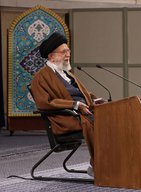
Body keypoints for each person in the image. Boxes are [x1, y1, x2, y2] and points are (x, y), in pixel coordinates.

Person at [30, 32, 101, 177]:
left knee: (115, 119)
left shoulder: (68, 74)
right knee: (102, 124)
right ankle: (99, 165)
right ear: (51, 56)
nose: (68, 54)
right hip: (66, 118)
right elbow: (45, 103)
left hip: (84, 112)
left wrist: (94, 100)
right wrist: (75, 105)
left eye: (68, 51)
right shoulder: (40, 77)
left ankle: (112, 162)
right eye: (63, 52)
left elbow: (83, 93)